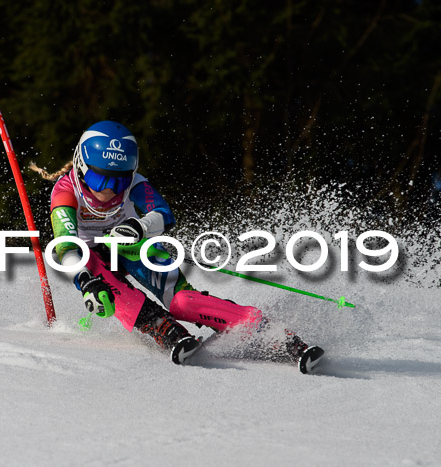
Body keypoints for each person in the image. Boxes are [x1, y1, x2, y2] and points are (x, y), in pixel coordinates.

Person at [32, 121, 323, 371]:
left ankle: (264, 330)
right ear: (82, 166)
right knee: (106, 288)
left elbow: (163, 214)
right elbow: (66, 246)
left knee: (183, 301)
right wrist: (84, 282)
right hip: (91, 256)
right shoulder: (66, 191)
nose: (109, 189)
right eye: (99, 177)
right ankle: (162, 328)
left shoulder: (136, 185)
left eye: (119, 181)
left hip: (134, 245)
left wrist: (138, 227)